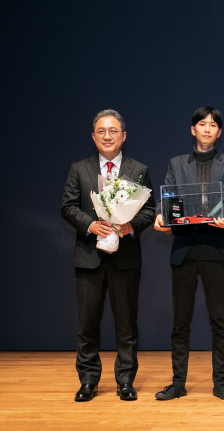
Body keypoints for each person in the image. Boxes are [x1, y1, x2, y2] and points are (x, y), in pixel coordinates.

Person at [61, 109, 155, 402]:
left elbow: (150, 210)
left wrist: (130, 225)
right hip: (89, 258)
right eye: (101, 131)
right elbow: (68, 206)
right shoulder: (79, 168)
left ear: (123, 136)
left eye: (113, 131)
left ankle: (125, 381)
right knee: (87, 325)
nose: (107, 136)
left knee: (127, 325)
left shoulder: (139, 169)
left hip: (125, 259)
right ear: (93, 137)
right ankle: (88, 381)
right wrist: (90, 225)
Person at [153, 106, 224, 401]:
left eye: (213, 125)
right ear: (193, 130)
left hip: (217, 250)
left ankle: (221, 383)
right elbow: (167, 196)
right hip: (186, 251)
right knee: (181, 322)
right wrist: (160, 214)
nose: (207, 129)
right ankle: (178, 383)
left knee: (220, 322)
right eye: (202, 124)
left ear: (219, 132)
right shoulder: (176, 163)